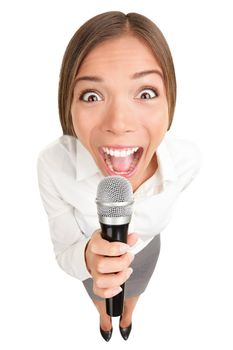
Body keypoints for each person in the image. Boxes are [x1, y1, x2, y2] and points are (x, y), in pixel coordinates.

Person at [37, 11, 201, 341]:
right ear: (68, 105)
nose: (119, 122)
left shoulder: (186, 161)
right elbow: (65, 249)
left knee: (134, 289)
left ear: (170, 101)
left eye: (145, 93)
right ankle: (105, 319)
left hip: (147, 250)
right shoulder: (53, 165)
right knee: (102, 296)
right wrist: (88, 258)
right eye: (92, 96)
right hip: (90, 255)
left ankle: (127, 316)